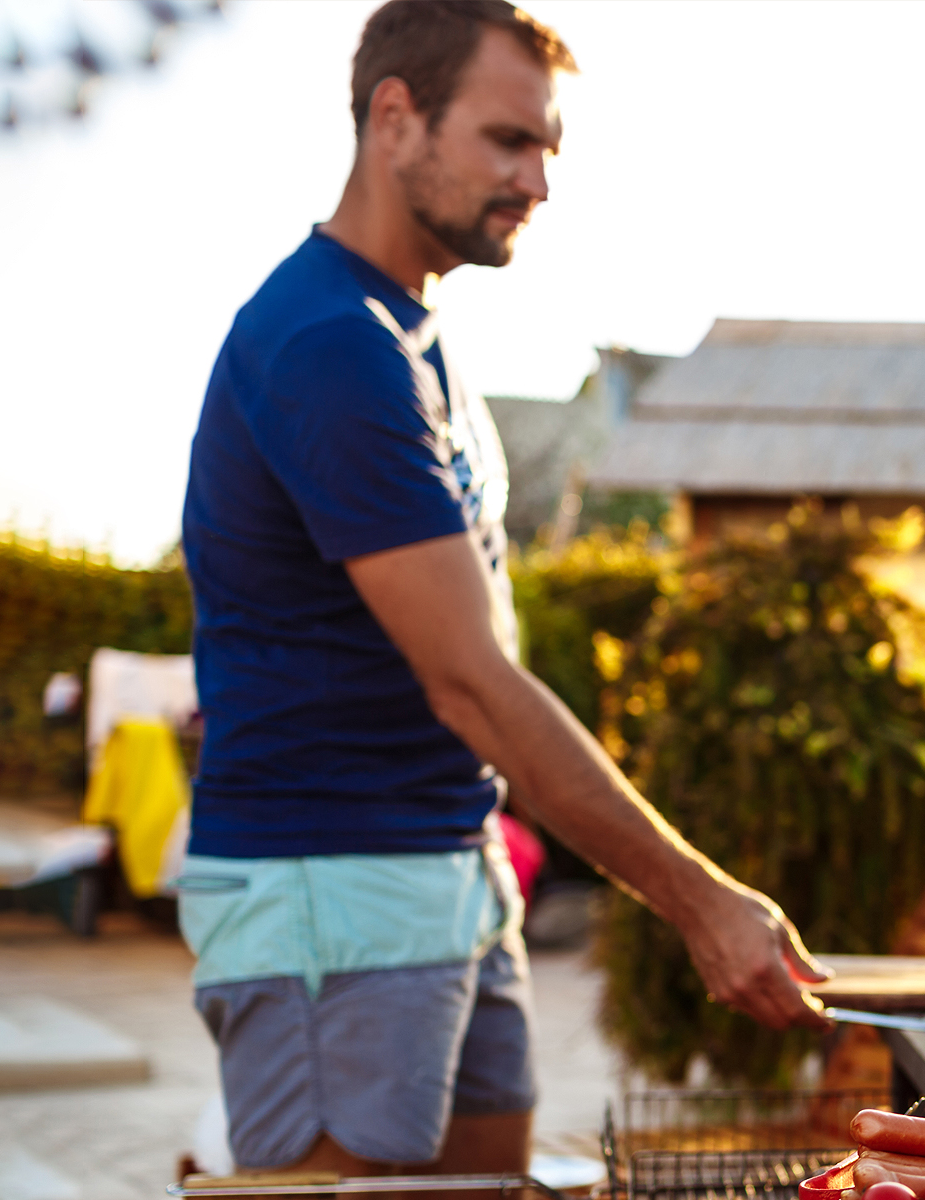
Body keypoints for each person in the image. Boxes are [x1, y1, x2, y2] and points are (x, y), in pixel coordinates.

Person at [176, 1, 832, 1183]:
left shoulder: (413, 335)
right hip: (332, 892)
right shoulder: (327, 344)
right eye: (507, 140)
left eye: (548, 149)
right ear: (394, 118)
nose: (538, 179)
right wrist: (699, 900)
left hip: (448, 874)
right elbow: (472, 681)